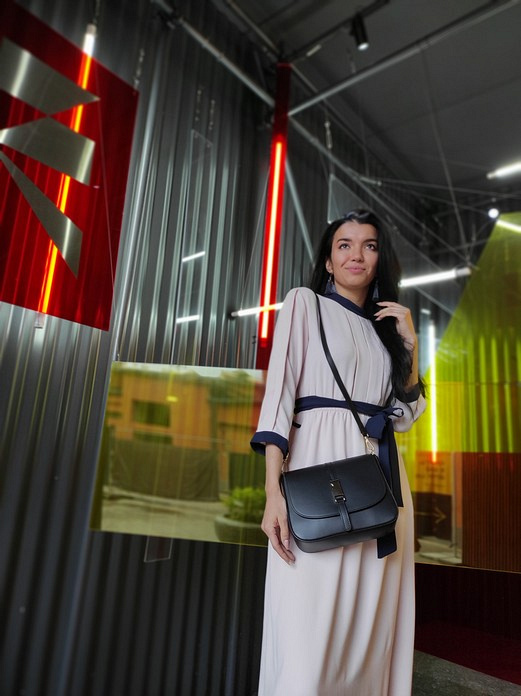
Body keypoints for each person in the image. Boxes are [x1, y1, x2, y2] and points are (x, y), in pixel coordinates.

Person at [250, 209, 426, 696]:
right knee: (307, 627)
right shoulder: (304, 303)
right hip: (317, 476)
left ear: (379, 259)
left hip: (379, 481)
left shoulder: (385, 331)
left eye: (369, 245)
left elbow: (404, 416)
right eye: (344, 244)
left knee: (369, 632)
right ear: (328, 261)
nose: (356, 254)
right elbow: (279, 399)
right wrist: (273, 494)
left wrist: (410, 348)